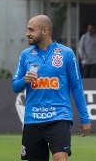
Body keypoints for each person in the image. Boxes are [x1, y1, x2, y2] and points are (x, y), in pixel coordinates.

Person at [12, 15, 91, 161]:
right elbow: (15, 86)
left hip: (59, 117)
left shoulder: (66, 53)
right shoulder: (26, 55)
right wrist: (24, 80)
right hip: (32, 119)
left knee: (61, 159)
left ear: (45, 31)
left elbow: (76, 86)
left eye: (31, 30)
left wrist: (84, 117)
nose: (27, 33)